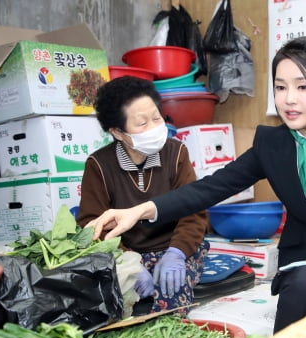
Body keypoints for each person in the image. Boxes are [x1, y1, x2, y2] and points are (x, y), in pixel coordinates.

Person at [87, 37, 306, 335]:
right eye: (280, 87)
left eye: (303, 87)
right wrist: (140, 210)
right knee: (301, 285)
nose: (289, 99)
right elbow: (210, 188)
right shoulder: (272, 145)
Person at [77, 76, 209, 315]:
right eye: (142, 123)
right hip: (127, 251)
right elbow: (91, 223)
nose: (154, 127)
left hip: (174, 247)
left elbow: (194, 209)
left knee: (172, 295)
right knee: (107, 304)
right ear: (118, 132)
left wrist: (177, 252)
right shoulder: (99, 165)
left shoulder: (176, 152)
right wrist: (129, 261)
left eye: (157, 118)